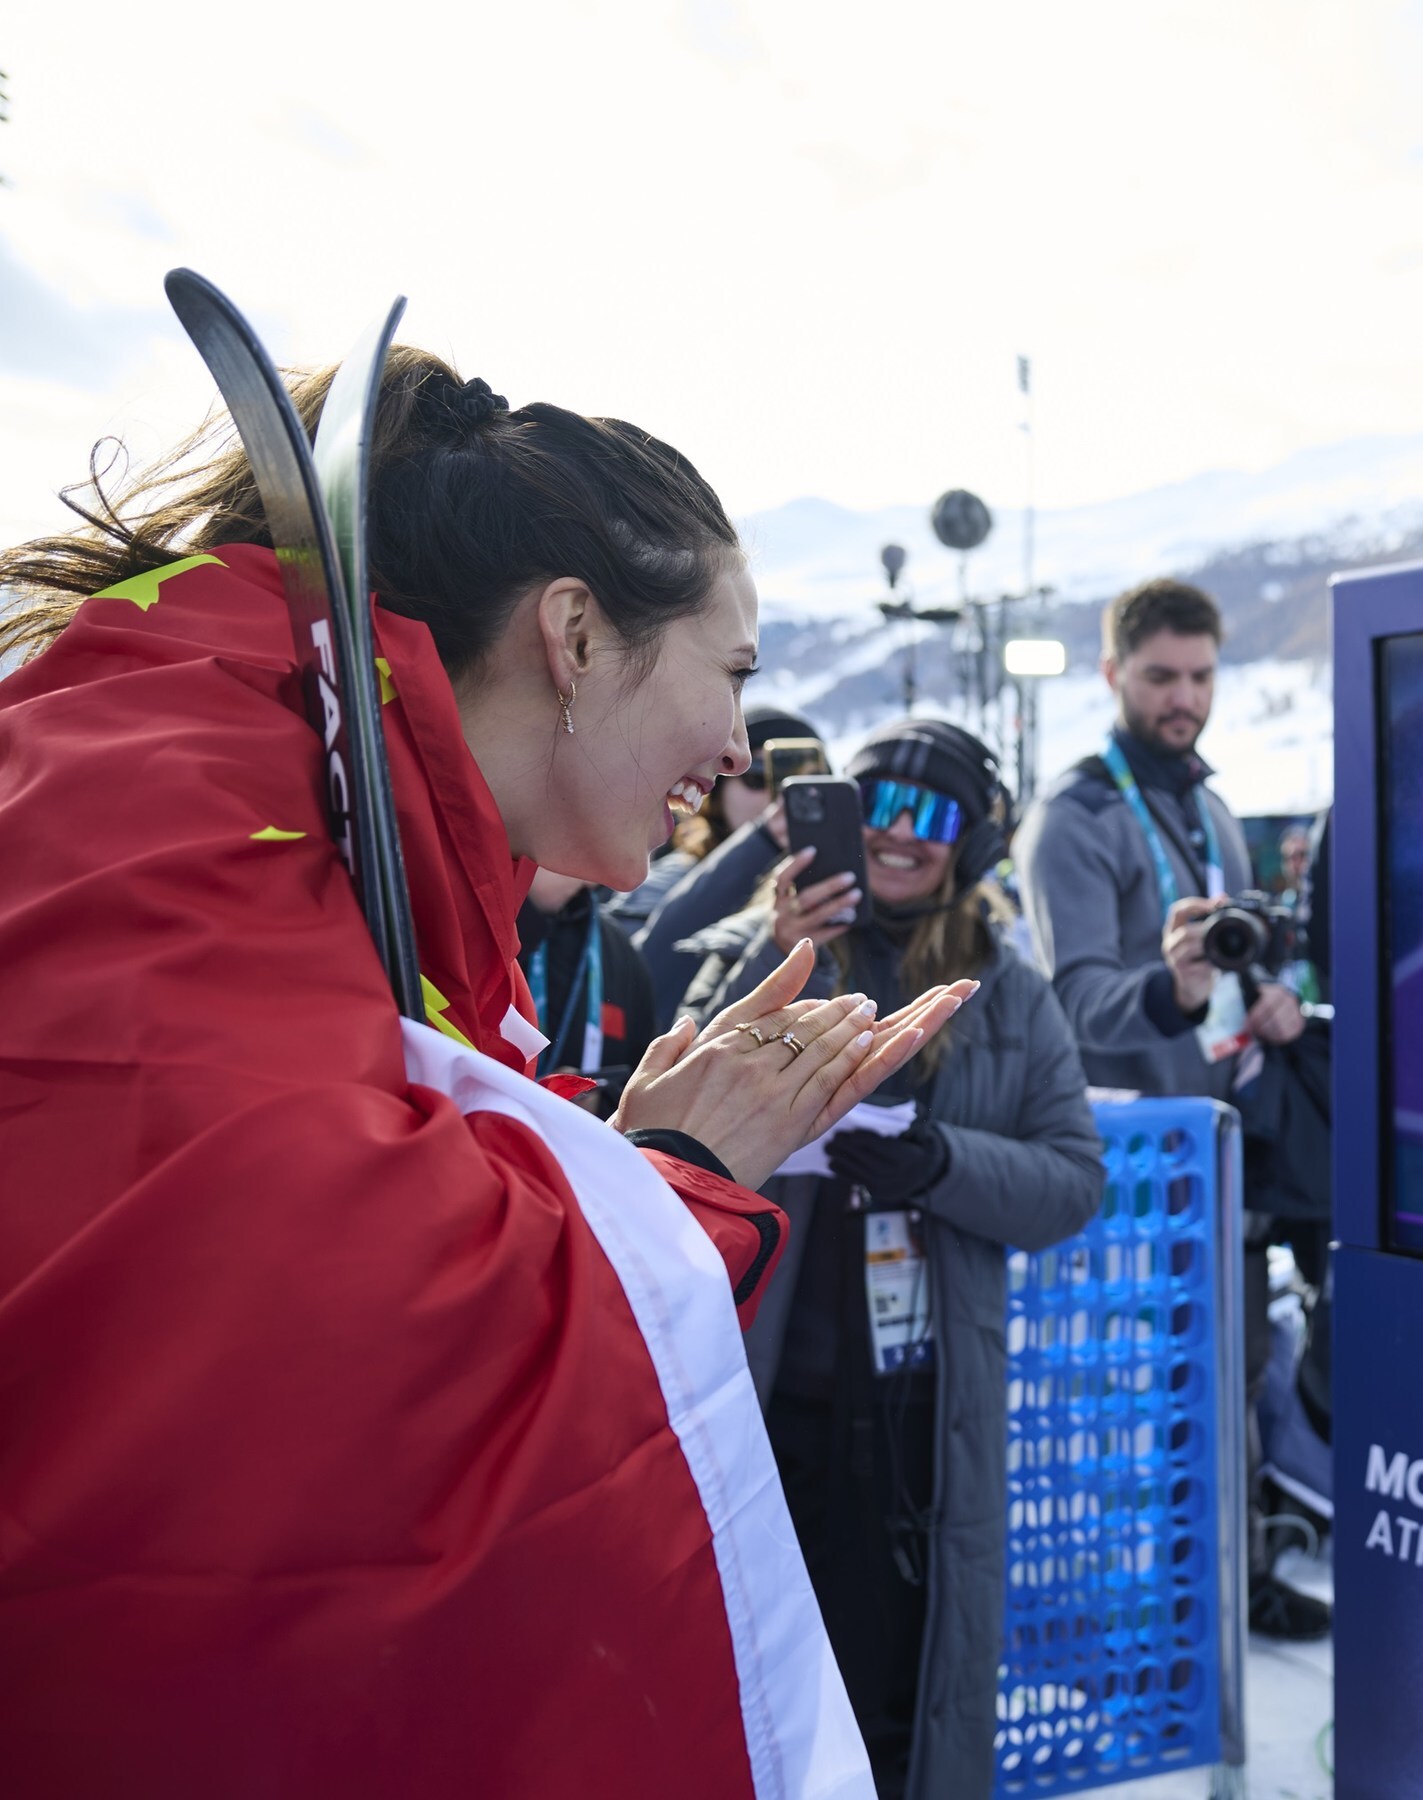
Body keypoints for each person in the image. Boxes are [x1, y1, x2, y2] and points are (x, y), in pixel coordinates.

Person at [0, 349, 971, 1797]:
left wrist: (601, 1166)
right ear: (576, 635)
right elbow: (319, 1347)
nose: (733, 746)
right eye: (736, 673)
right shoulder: (195, 786)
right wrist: (673, 1190)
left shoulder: (293, 777)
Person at [678, 719, 1102, 1799]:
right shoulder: (765, 951)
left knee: (892, 1697)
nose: (905, 838)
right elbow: (661, 1130)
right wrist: (767, 959)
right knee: (749, 1693)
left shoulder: (1008, 989)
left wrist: (939, 1161)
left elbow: (1071, 1182)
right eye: (882, 810)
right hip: (762, 1390)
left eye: (937, 815)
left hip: (919, 1409)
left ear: (974, 840)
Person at [1012, 576, 1329, 1640]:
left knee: (1230, 1379)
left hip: (1226, 1157)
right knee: (1137, 1401)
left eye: (1200, 675)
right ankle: (1133, 1608)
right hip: (1132, 1167)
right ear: (1114, 675)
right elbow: (1069, 1001)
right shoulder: (1076, 815)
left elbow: (1233, 977)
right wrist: (1173, 988)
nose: (1182, 698)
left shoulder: (1212, 805)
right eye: (1160, 677)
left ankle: (1224, 1585)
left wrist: (1265, 999)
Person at [626, 702, 826, 1028]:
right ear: (720, 787)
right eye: (759, 777)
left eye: (800, 781)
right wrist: (763, 840)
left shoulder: (828, 887)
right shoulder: (659, 876)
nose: (778, 797)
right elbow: (641, 977)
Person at [517, 867, 656, 1111]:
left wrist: (601, 1101)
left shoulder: (615, 948)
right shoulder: (473, 928)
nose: (590, 881)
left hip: (569, 1141)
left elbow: (644, 1076)